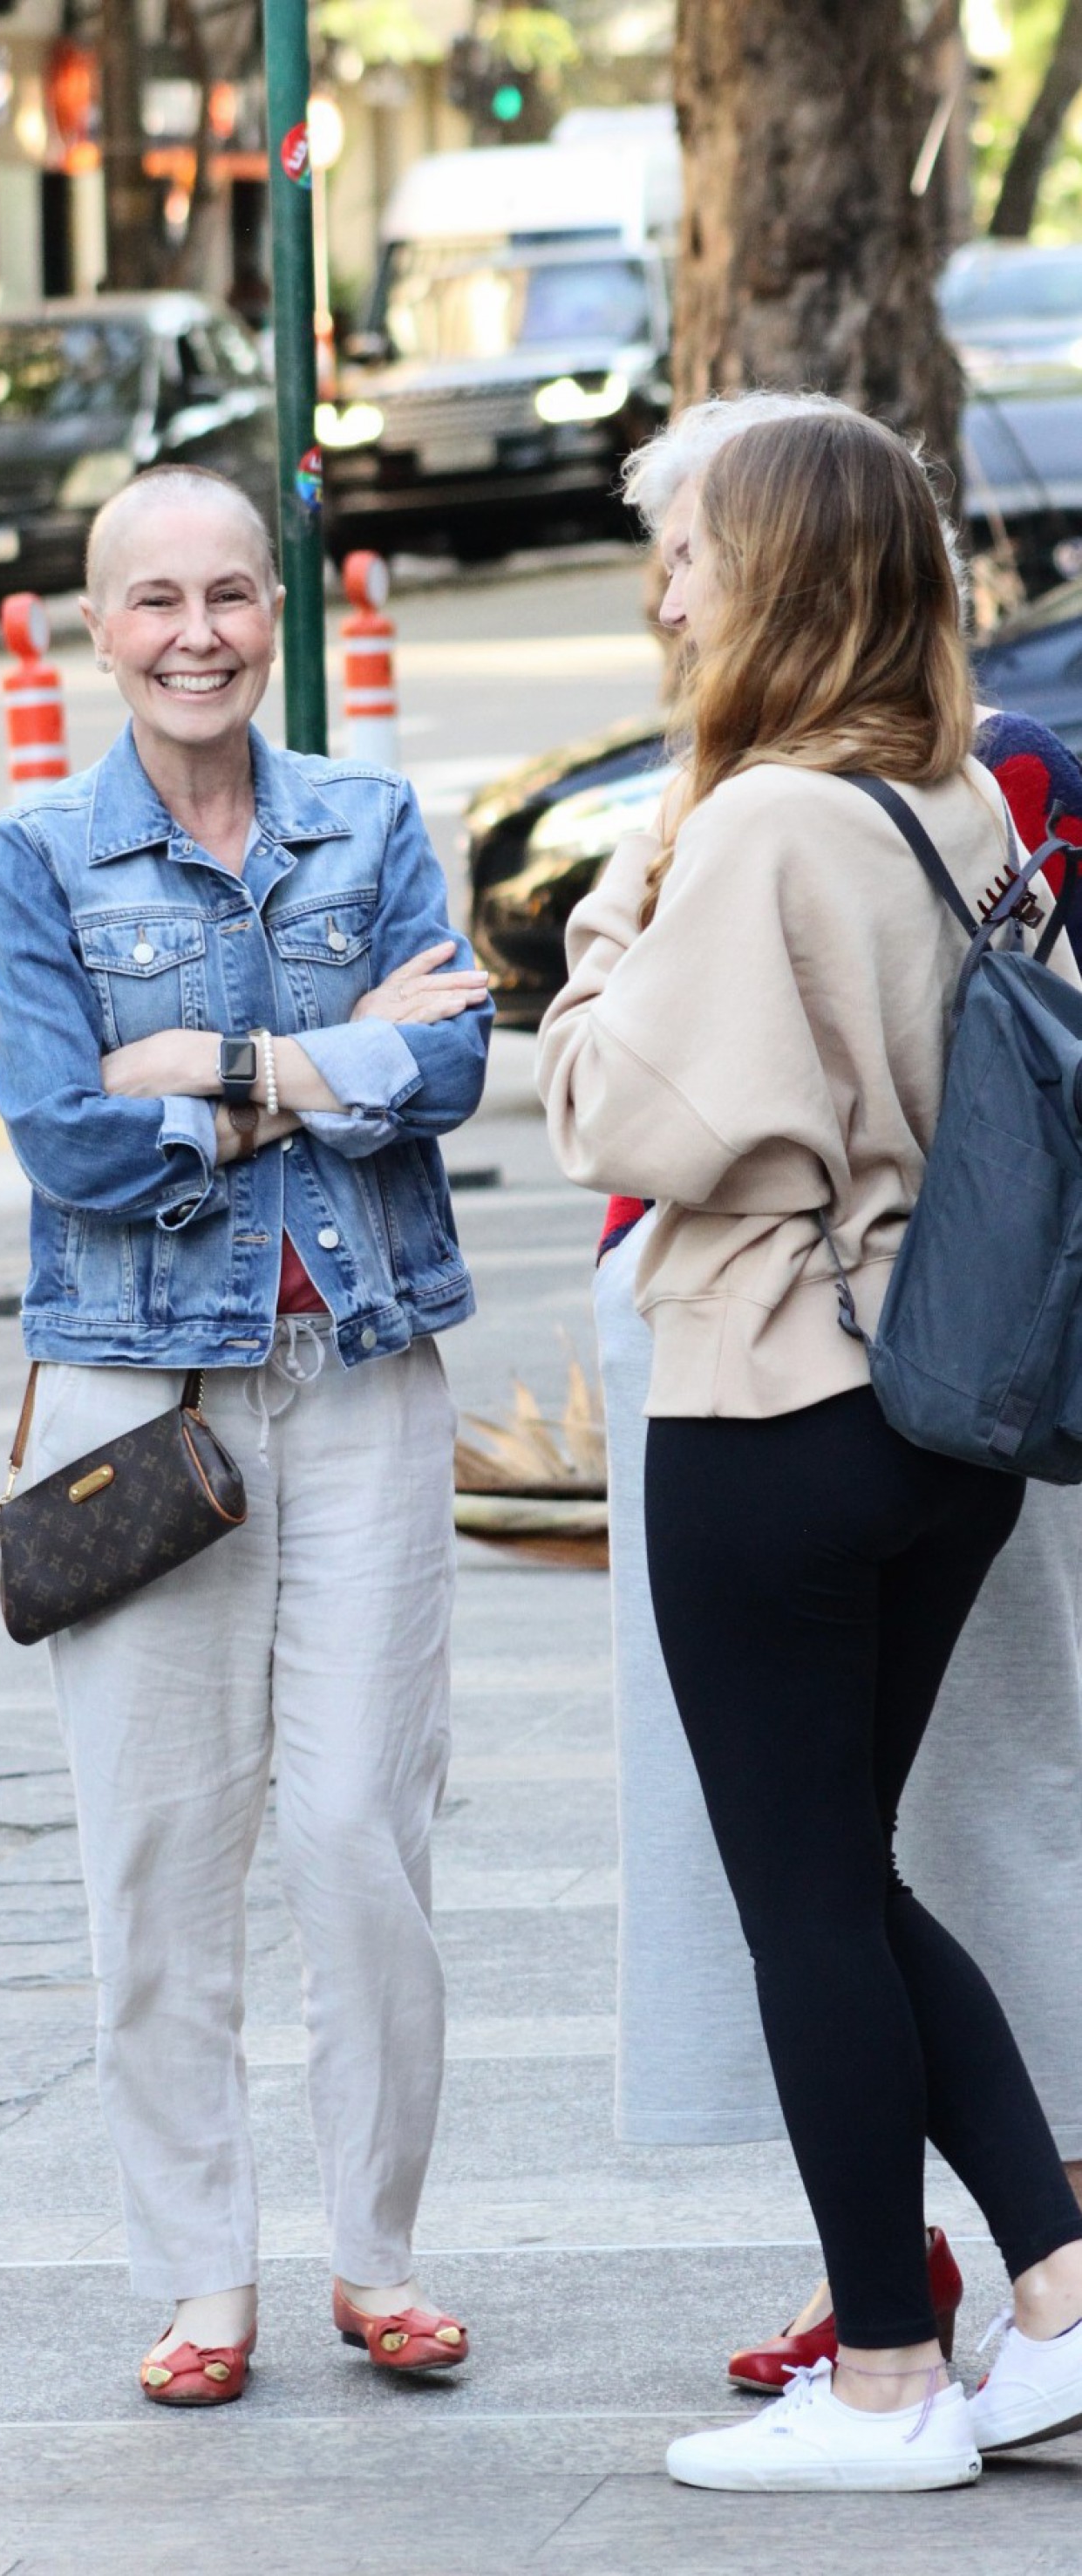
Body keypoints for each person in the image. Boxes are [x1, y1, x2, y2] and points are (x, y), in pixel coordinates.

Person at [540, 408, 1082, 2492]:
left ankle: (882, 2379)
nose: (667, 588)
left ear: (773, 578)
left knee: (804, 1903)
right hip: (948, 1418)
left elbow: (619, 1112)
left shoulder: (758, 823)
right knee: (845, 1873)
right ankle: (1055, 2285)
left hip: (772, 1402)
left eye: (694, 552)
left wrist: (615, 910)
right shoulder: (955, 800)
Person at [0, 464, 493, 2406]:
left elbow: (454, 1057)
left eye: (228, 595)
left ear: (276, 611)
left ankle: (380, 2253)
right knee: (159, 1851)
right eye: (154, 599)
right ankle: (202, 2276)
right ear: (96, 626)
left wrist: (220, 1064)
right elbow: (64, 1131)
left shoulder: (370, 821)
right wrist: (328, 1074)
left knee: (362, 1829)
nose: (195, 634)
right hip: (135, 1396)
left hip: (359, 1372)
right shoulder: (39, 854)